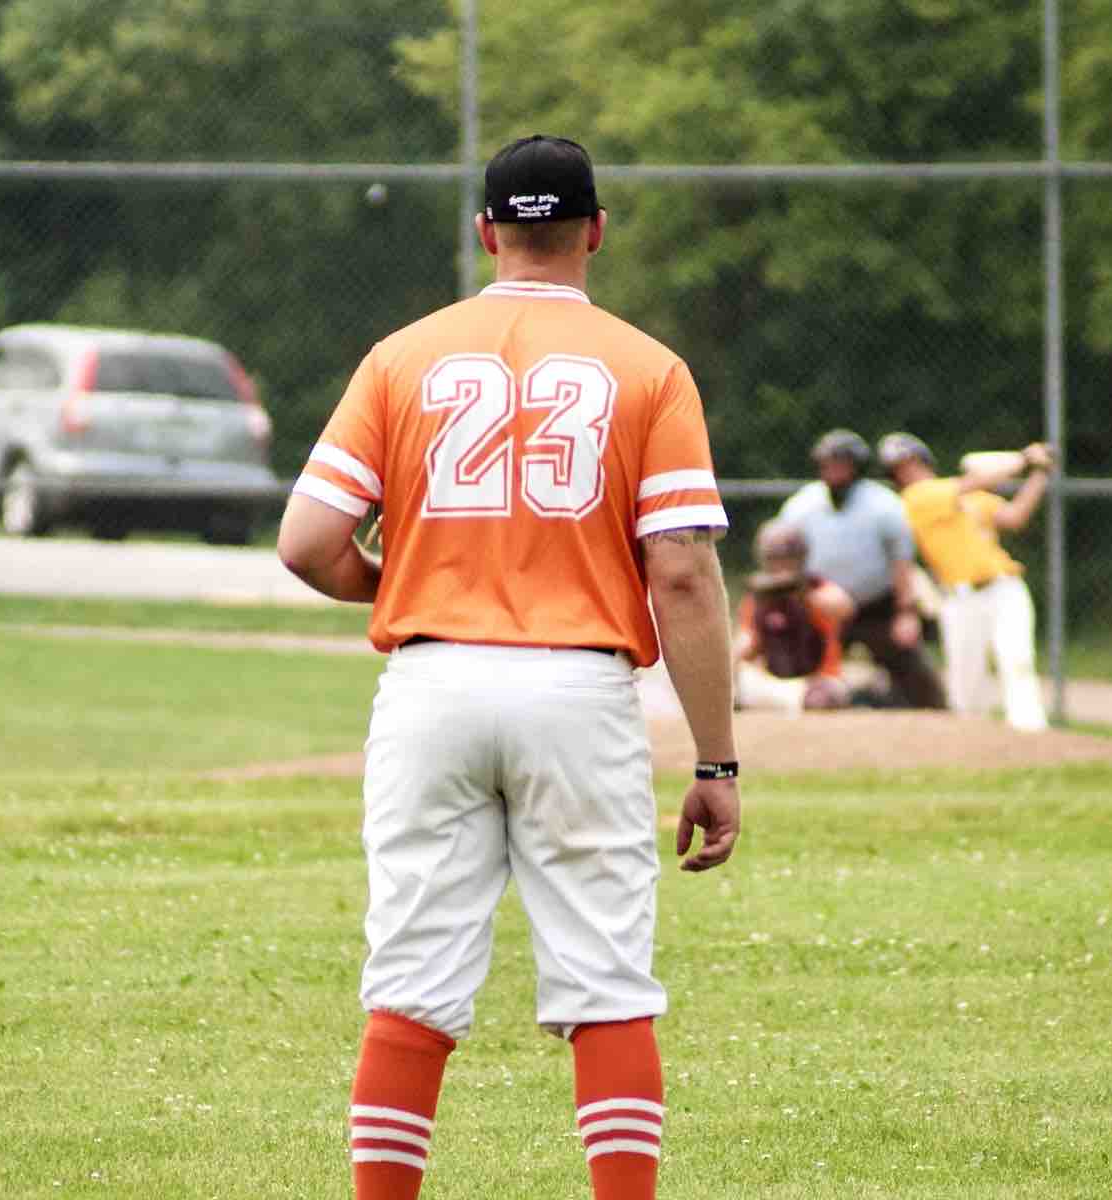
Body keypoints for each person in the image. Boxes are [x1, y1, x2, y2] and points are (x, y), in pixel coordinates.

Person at [276, 134, 740, 1200]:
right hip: (575, 686)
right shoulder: (647, 367)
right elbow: (678, 572)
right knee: (607, 984)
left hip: (431, 682)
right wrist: (715, 765)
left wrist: (393, 584)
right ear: (596, 233)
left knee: (411, 983)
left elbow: (306, 542)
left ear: (485, 232)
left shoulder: (402, 356)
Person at [877, 431, 1053, 732]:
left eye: (911, 463)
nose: (908, 472)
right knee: (965, 682)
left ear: (926, 461)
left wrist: (1041, 472)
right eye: (899, 469)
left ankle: (1031, 735)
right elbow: (973, 482)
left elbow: (1014, 517)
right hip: (959, 599)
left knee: (1016, 660)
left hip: (1004, 588)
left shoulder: (967, 497)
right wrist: (1024, 459)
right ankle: (970, 748)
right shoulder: (915, 499)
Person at [778, 429, 948, 709]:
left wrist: (906, 613)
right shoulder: (803, 504)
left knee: (914, 669)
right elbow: (784, 555)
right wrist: (797, 599)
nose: (833, 472)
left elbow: (902, 561)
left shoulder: (883, 504)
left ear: (857, 467)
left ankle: (938, 710)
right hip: (823, 606)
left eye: (840, 465)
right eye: (827, 465)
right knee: (805, 671)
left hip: (876, 604)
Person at [732, 519, 854, 713]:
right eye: (775, 559)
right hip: (776, 685)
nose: (781, 566)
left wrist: (801, 594)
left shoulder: (817, 588)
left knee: (823, 698)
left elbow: (844, 607)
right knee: (739, 684)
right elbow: (746, 644)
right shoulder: (757, 599)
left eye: (787, 558)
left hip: (818, 681)